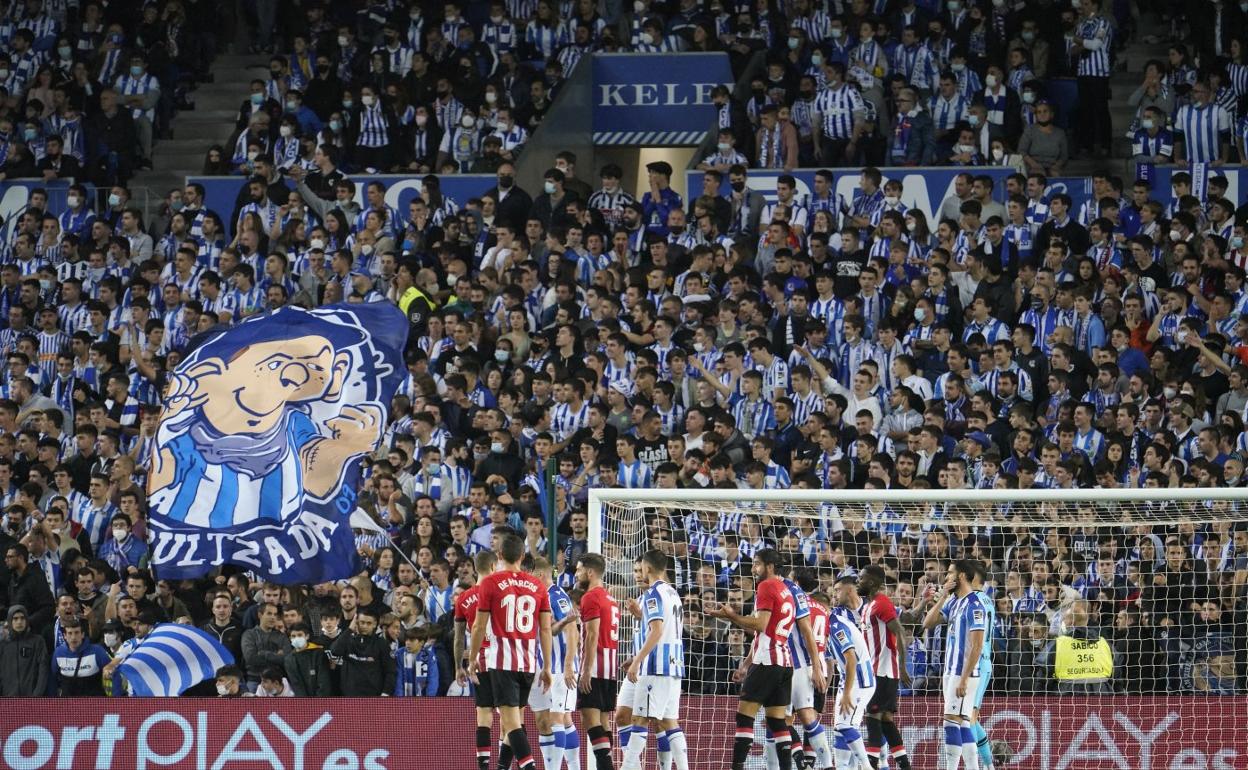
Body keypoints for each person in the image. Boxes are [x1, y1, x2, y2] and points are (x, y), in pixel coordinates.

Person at [468, 533, 553, 770]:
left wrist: (473, 657)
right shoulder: (537, 585)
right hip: (528, 664)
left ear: (499, 555)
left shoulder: (490, 583)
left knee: (511, 724)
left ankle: (529, 767)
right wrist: (546, 666)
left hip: (502, 662)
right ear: (522, 556)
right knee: (513, 721)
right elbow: (545, 629)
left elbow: (479, 626)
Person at [706, 548, 798, 770]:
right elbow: (763, 634)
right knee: (777, 721)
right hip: (784, 662)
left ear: (770, 566)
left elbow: (760, 625)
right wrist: (746, 665)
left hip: (767, 661)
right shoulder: (786, 590)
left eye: (757, 564)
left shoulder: (766, 586)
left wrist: (731, 616)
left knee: (744, 717)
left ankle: (737, 767)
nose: (753, 569)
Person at [620, 549, 689, 770]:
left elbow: (657, 630)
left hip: (656, 665)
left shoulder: (653, 593)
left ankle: (627, 767)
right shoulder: (673, 593)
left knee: (639, 720)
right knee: (669, 722)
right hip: (674, 665)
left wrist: (637, 661)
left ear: (647, 568)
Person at [922, 560, 991, 770]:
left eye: (950, 573)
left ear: (961, 576)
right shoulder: (953, 602)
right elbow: (927, 623)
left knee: (950, 721)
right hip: (950, 671)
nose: (946, 577)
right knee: (963, 723)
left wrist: (964, 678)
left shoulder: (975, 605)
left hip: (964, 673)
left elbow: (977, 645)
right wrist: (943, 595)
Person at [855, 564, 914, 770]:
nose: (858, 581)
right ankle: (904, 765)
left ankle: (871, 764)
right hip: (877, 671)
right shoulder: (868, 606)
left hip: (883, 671)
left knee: (873, 716)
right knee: (886, 719)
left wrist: (903, 667)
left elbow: (900, 632)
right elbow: (908, 617)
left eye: (861, 578)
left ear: (871, 582)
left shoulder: (881, 603)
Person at [528, 556, 579, 769]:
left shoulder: (556, 595)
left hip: (561, 668)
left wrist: (568, 666)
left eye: (531, 575)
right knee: (549, 720)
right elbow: (555, 628)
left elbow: (572, 629)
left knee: (559, 718)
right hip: (547, 667)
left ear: (540, 575)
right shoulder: (542, 597)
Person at [575, 552, 620, 770]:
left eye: (579, 569)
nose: (576, 574)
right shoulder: (610, 599)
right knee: (603, 722)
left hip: (595, 666)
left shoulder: (590, 597)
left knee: (590, 719)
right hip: (610, 668)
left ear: (590, 572)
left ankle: (606, 767)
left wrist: (585, 671)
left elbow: (592, 635)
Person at [828, 585, 877, 770]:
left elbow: (851, 658)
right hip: (847, 680)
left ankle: (867, 767)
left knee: (846, 726)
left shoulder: (835, 624)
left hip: (860, 680)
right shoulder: (828, 625)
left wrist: (847, 693)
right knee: (840, 730)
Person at [331, 605, 396, 696]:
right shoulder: (347, 639)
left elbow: (390, 671)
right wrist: (350, 629)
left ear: (375, 624)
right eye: (362, 622)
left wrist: (386, 693)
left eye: (369, 623)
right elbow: (334, 651)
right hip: (348, 696)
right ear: (356, 622)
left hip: (373, 696)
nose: (365, 626)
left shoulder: (382, 644)